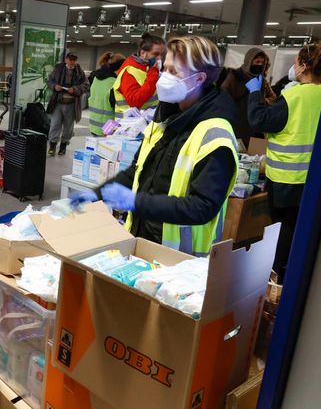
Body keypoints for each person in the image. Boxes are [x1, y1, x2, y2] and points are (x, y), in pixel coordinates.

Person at [72, 36, 239, 258]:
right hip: (141, 240)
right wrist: (96, 194)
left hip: (178, 258)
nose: (164, 77)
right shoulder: (165, 119)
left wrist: (136, 202)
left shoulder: (215, 135)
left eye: (175, 71)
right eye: (165, 69)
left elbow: (202, 207)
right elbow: (137, 170)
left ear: (199, 78)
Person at [246, 41, 321, 282]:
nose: (293, 67)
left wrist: (254, 94)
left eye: (296, 63)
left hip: (285, 177)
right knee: (298, 229)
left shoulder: (293, 96)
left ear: (304, 66)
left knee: (282, 229)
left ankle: (275, 279)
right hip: (312, 177)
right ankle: (292, 274)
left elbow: (260, 120)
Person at [220, 47, 276, 146]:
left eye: (262, 62)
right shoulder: (235, 76)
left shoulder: (261, 80)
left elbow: (272, 98)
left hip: (254, 126)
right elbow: (223, 98)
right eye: (257, 61)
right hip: (236, 124)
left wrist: (263, 102)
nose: (259, 65)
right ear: (249, 61)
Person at [113, 33, 165, 119]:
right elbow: (134, 102)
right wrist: (153, 74)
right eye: (156, 54)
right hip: (129, 127)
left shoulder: (148, 68)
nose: (159, 58)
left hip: (144, 124)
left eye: (162, 54)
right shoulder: (129, 71)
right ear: (143, 53)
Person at [46, 51, 89, 156]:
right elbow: (49, 81)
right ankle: (52, 146)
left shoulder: (80, 72)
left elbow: (86, 85)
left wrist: (74, 90)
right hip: (58, 103)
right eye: (70, 59)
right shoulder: (58, 69)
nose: (72, 62)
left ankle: (63, 147)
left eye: (74, 60)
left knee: (68, 127)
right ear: (66, 59)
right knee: (55, 125)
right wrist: (54, 86)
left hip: (71, 104)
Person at [88, 52, 125, 136]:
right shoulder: (114, 83)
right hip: (107, 130)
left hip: (94, 126)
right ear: (119, 68)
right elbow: (117, 107)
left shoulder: (95, 79)